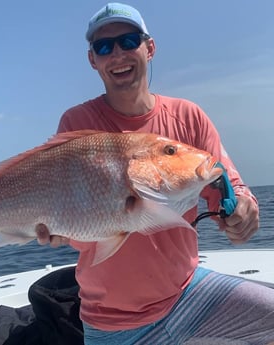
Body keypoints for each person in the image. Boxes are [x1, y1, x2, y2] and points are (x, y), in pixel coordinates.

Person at [37, 3, 274, 344]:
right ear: (93, 60)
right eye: (104, 47)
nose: (117, 53)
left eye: (129, 40)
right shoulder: (77, 125)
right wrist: (58, 230)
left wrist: (244, 210)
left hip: (189, 294)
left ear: (150, 47)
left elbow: (228, 184)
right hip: (112, 321)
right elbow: (78, 223)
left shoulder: (189, 117)